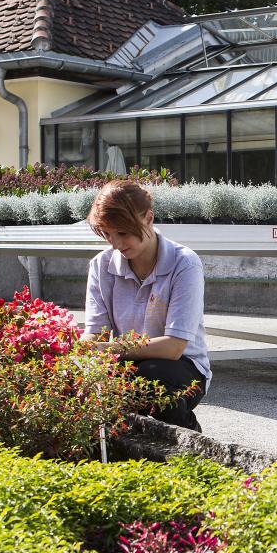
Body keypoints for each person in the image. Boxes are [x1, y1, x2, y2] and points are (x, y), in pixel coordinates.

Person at [80, 180, 210, 431]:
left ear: (149, 218)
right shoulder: (101, 265)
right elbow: (93, 333)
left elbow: (173, 347)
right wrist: (88, 351)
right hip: (129, 363)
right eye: (107, 234)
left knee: (149, 378)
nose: (115, 243)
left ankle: (191, 444)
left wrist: (105, 350)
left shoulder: (184, 263)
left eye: (123, 232)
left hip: (184, 367)